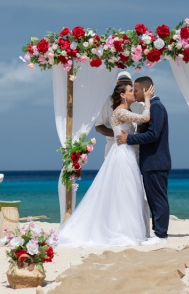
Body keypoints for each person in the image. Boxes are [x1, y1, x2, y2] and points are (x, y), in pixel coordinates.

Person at [58, 81, 154, 247]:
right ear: (123, 95)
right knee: (125, 192)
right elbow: (146, 117)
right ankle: (122, 231)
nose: (133, 93)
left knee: (127, 192)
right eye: (131, 91)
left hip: (126, 153)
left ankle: (127, 229)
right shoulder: (121, 112)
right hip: (123, 155)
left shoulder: (125, 111)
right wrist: (147, 99)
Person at [115, 76, 171, 246]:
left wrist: (129, 139)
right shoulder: (151, 107)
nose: (135, 93)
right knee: (154, 198)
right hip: (150, 162)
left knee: (158, 198)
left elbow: (153, 134)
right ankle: (158, 233)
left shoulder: (156, 107)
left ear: (146, 90)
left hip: (156, 161)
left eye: (136, 89)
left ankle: (161, 235)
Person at [95, 71, 144, 157]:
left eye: (127, 83)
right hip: (113, 146)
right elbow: (98, 126)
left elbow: (144, 125)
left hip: (134, 146)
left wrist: (131, 135)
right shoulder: (108, 102)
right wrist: (117, 135)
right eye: (122, 83)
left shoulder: (139, 103)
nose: (125, 85)